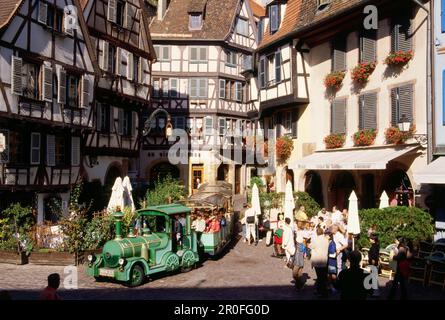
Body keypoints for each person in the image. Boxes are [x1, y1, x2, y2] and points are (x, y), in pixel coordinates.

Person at [310, 227, 329, 298]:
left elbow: (310, 246)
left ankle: (323, 292)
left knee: (320, 277)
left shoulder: (315, 240)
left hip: (317, 260)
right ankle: (320, 290)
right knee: (323, 276)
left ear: (317, 233)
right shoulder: (326, 240)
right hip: (324, 260)